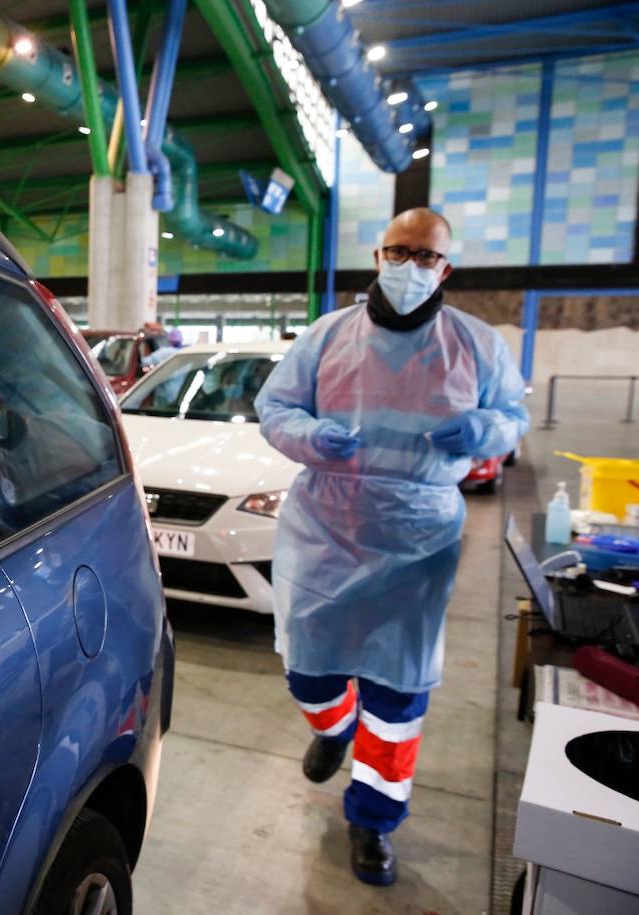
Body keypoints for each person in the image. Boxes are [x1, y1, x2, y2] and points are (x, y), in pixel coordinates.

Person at [254, 208, 528, 886]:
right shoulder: (327, 335)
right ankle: (333, 724)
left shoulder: (478, 344)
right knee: (309, 671)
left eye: (426, 256)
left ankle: (373, 819)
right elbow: (274, 408)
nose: (411, 266)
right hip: (328, 527)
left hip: (418, 537)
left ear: (447, 268)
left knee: (399, 694)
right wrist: (309, 438)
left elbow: (512, 419)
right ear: (378, 255)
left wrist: (483, 429)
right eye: (400, 251)